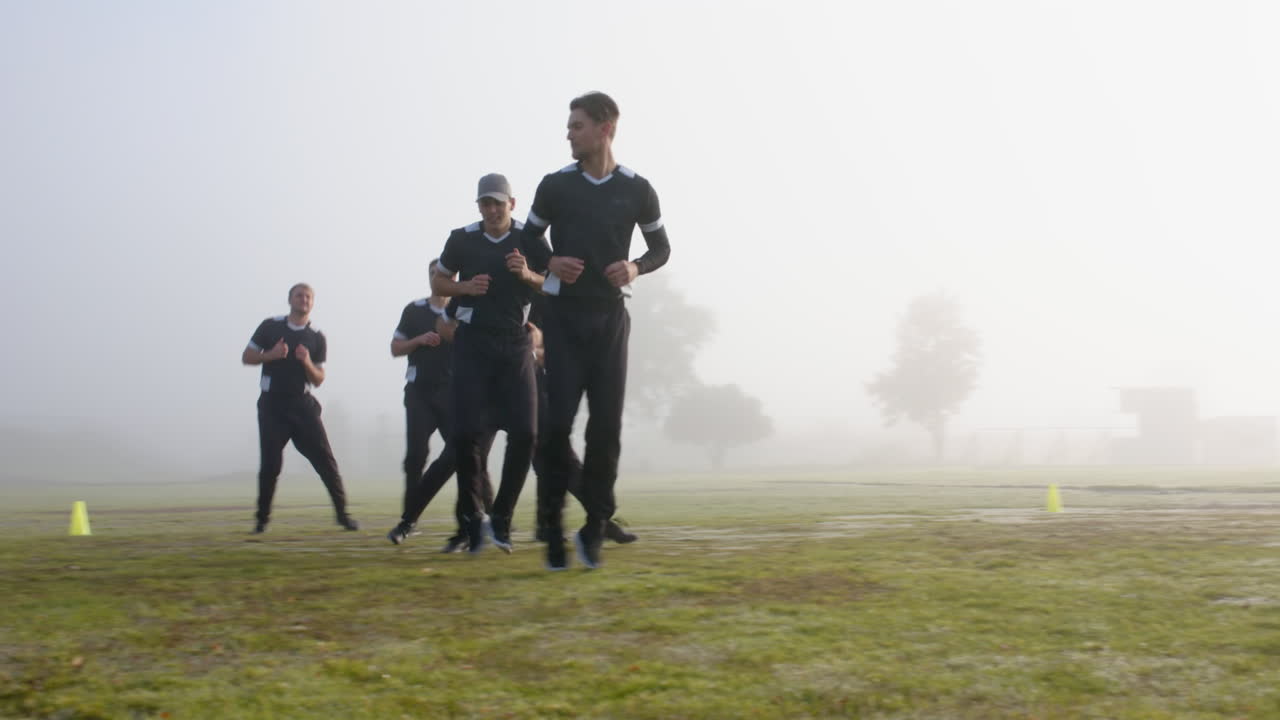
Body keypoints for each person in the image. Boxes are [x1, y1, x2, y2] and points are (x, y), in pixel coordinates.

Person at [520, 91, 671, 569]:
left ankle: (595, 527)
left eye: (578, 125)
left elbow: (661, 248)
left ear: (606, 128)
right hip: (562, 321)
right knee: (555, 430)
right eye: (569, 126)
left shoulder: (638, 189)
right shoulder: (555, 186)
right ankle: (552, 531)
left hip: (610, 322)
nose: (569, 133)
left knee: (606, 431)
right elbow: (528, 237)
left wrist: (635, 267)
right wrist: (550, 261)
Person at [432, 173, 547, 554]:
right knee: (465, 435)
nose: (493, 209)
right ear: (478, 206)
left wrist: (526, 273)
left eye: (500, 202)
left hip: (515, 343)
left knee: (527, 433)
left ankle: (502, 520)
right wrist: (465, 288)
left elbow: (551, 283)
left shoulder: (528, 238)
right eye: (486, 203)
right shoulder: (461, 238)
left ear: (513, 204)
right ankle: (472, 520)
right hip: (472, 343)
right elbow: (439, 283)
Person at [241, 283, 359, 533]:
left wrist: (306, 361)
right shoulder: (270, 326)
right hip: (272, 404)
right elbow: (247, 357)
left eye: (308, 297)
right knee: (270, 465)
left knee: (326, 461)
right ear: (290, 299)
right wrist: (270, 355)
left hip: (302, 405)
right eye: (299, 296)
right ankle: (262, 520)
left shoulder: (316, 337)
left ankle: (343, 514)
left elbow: (319, 379)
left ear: (312, 303)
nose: (303, 300)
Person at [526, 319, 637, 546]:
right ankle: (599, 520)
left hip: (537, 390)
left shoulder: (548, 302)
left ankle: (550, 525)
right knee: (558, 462)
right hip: (515, 389)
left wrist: (540, 353)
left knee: (553, 461)